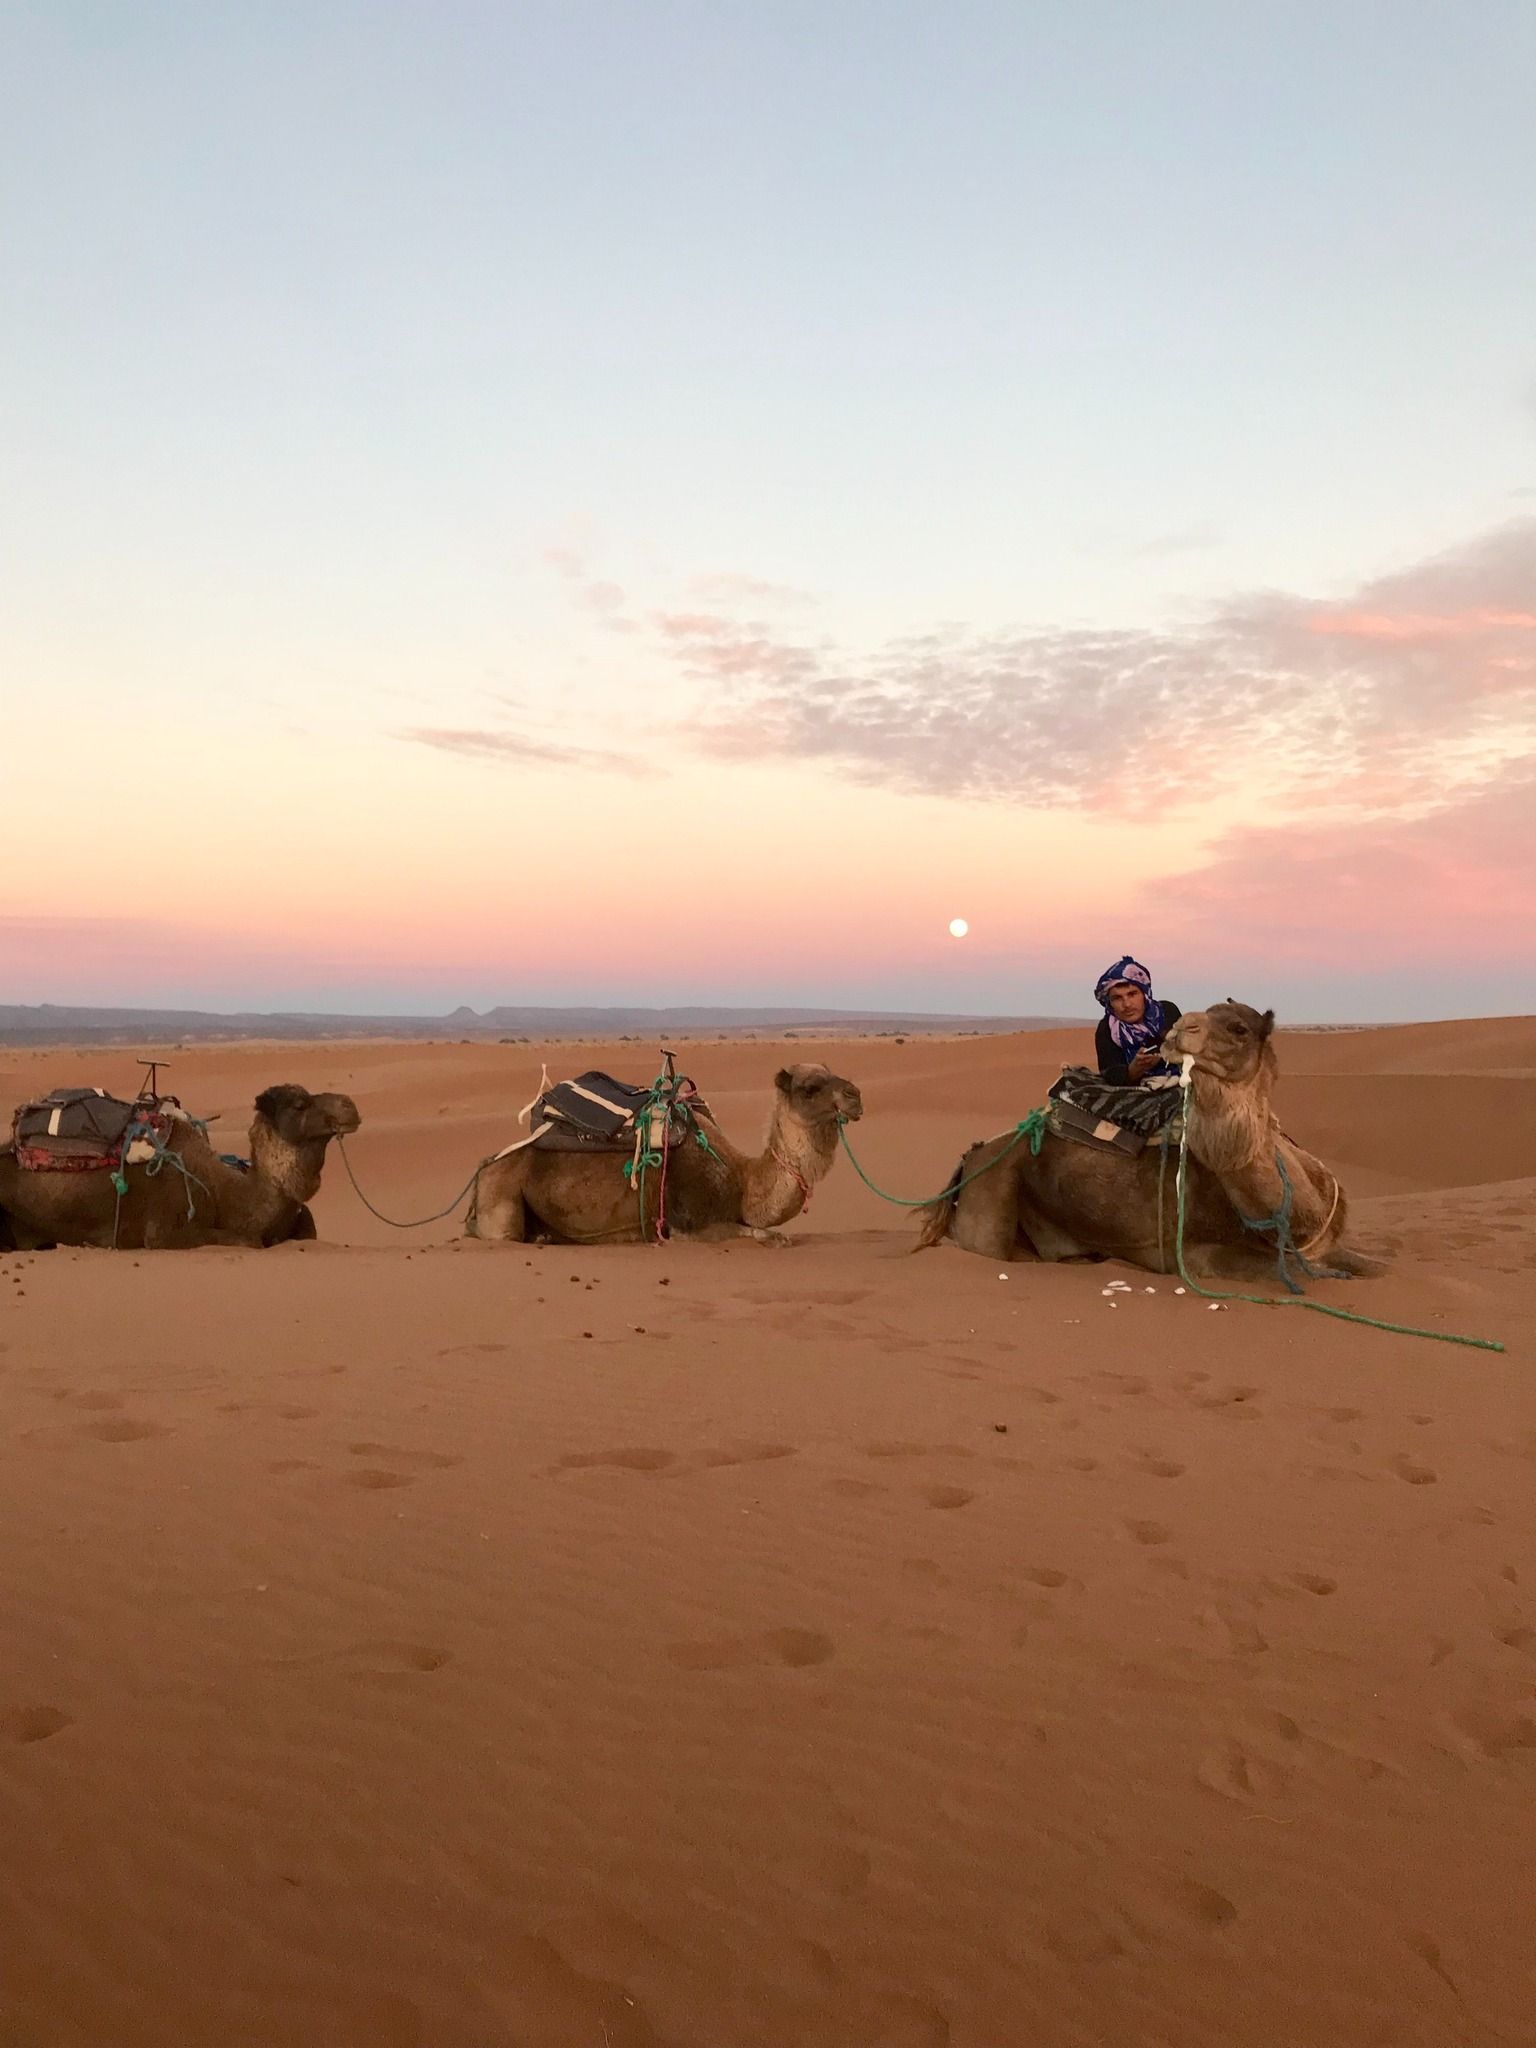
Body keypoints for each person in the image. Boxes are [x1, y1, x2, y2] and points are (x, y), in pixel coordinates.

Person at [1093, 956, 1183, 1086]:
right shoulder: (1107, 1029)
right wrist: (1133, 1070)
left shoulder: (1166, 1012)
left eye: (1132, 994)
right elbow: (1109, 1073)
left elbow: (1185, 1051)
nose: (1127, 1004)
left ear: (1145, 994)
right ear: (1109, 1003)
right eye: (1117, 998)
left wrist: (1161, 1057)